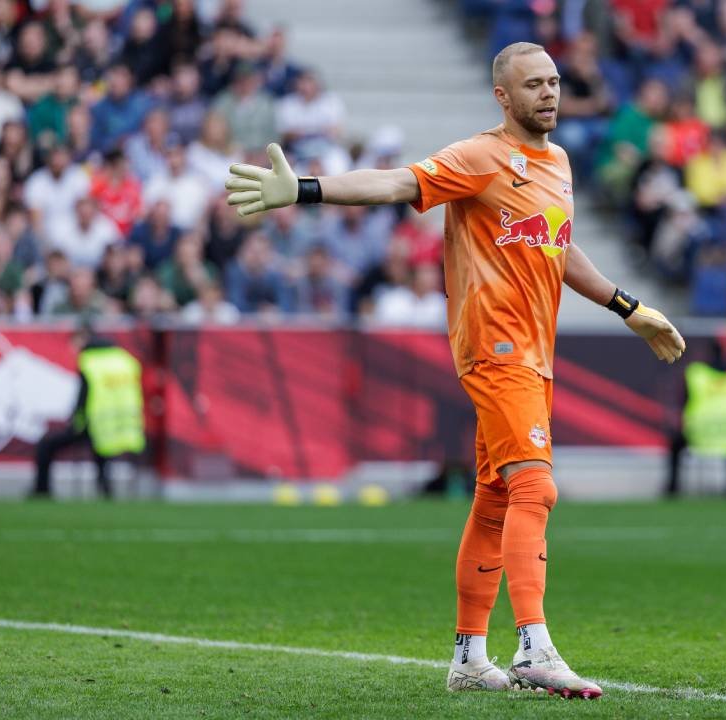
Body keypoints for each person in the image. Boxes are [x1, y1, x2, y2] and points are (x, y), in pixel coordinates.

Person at [224, 41, 686, 699]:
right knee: (537, 489)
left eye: (554, 82)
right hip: (495, 350)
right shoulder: (479, 156)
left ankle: (470, 658)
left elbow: (558, 241)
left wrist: (628, 306)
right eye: (533, 84)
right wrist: (303, 188)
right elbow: (398, 183)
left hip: (535, 354)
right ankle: (534, 646)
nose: (549, 93)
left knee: (497, 499)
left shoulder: (555, 161)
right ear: (503, 95)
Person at [31, 326, 145, 499]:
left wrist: (75, 423)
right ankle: (106, 493)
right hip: (125, 426)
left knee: (46, 446)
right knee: (102, 454)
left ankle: (41, 491)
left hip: (97, 423)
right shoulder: (124, 359)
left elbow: (83, 398)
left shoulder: (89, 361)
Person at [666, 337, 726, 498]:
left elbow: (684, 403)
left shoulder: (695, 373)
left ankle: (673, 487)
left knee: (676, 444)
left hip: (703, 432)